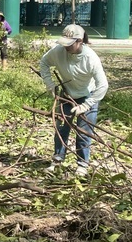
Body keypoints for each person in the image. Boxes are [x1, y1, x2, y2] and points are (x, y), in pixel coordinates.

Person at [39, 24, 109, 177]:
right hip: (67, 95)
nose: (66, 47)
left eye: (70, 44)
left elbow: (103, 85)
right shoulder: (58, 52)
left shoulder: (90, 58)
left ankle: (82, 165)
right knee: (61, 128)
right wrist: (50, 84)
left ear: (80, 41)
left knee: (84, 131)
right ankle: (57, 160)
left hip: (88, 96)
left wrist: (87, 105)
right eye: (64, 43)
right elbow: (44, 62)